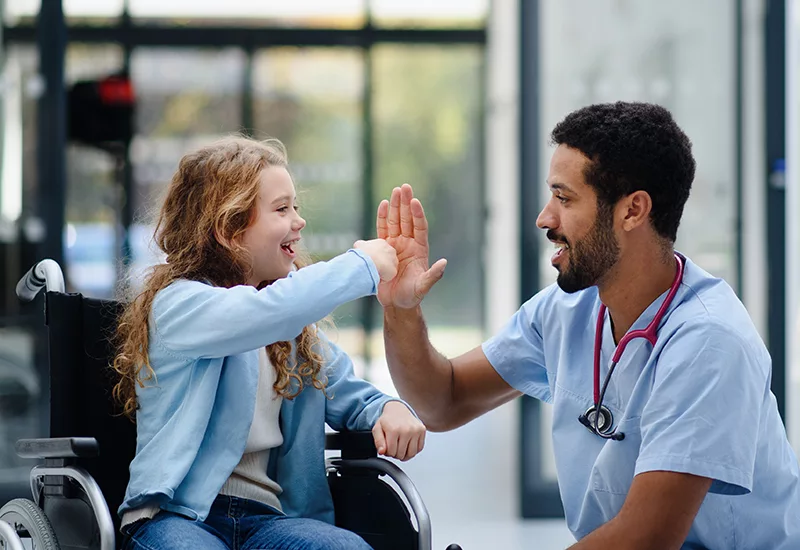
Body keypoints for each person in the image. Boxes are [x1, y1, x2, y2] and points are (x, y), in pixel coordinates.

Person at [378, 102, 800, 549]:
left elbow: (646, 539)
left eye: (564, 198)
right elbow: (443, 401)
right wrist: (401, 308)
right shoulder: (566, 311)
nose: (544, 217)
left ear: (633, 210)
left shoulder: (709, 341)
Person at [111, 136, 426, 550]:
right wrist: (362, 265)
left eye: (296, 206)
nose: (299, 221)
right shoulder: (179, 306)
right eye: (282, 209)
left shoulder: (292, 334)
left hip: (269, 521)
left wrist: (389, 407)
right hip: (179, 517)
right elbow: (263, 313)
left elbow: (350, 393)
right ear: (228, 228)